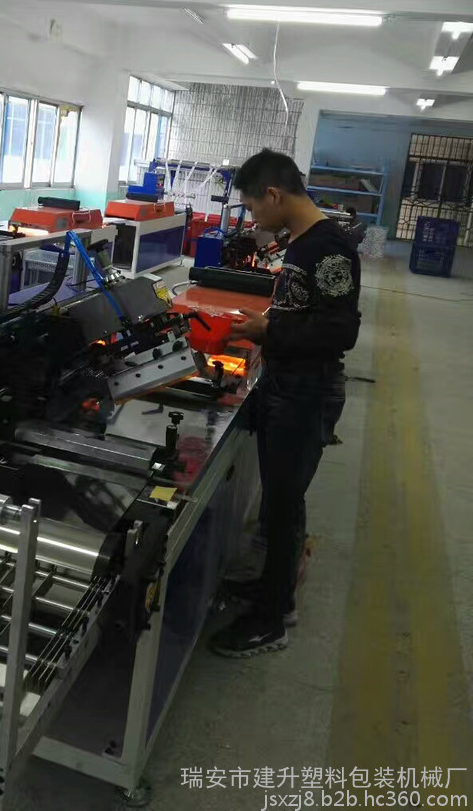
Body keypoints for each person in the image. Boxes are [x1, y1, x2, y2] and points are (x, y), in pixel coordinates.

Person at [209, 149, 361, 658]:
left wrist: (268, 331)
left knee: (282, 505)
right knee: (280, 502)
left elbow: (340, 331)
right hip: (287, 384)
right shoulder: (300, 242)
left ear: (274, 195)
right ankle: (275, 591)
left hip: (307, 392)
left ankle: (270, 622)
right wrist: (270, 323)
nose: (253, 218)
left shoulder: (328, 247)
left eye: (254, 207)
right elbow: (305, 310)